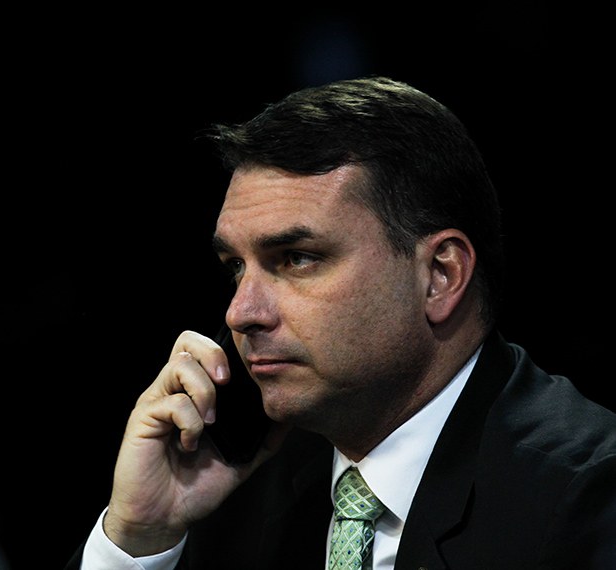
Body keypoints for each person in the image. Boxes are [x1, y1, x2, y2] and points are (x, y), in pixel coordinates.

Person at [64, 76, 616, 569]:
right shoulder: (223, 483)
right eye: (235, 267)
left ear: (440, 276)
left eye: (297, 258)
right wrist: (140, 537)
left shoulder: (587, 497)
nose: (240, 313)